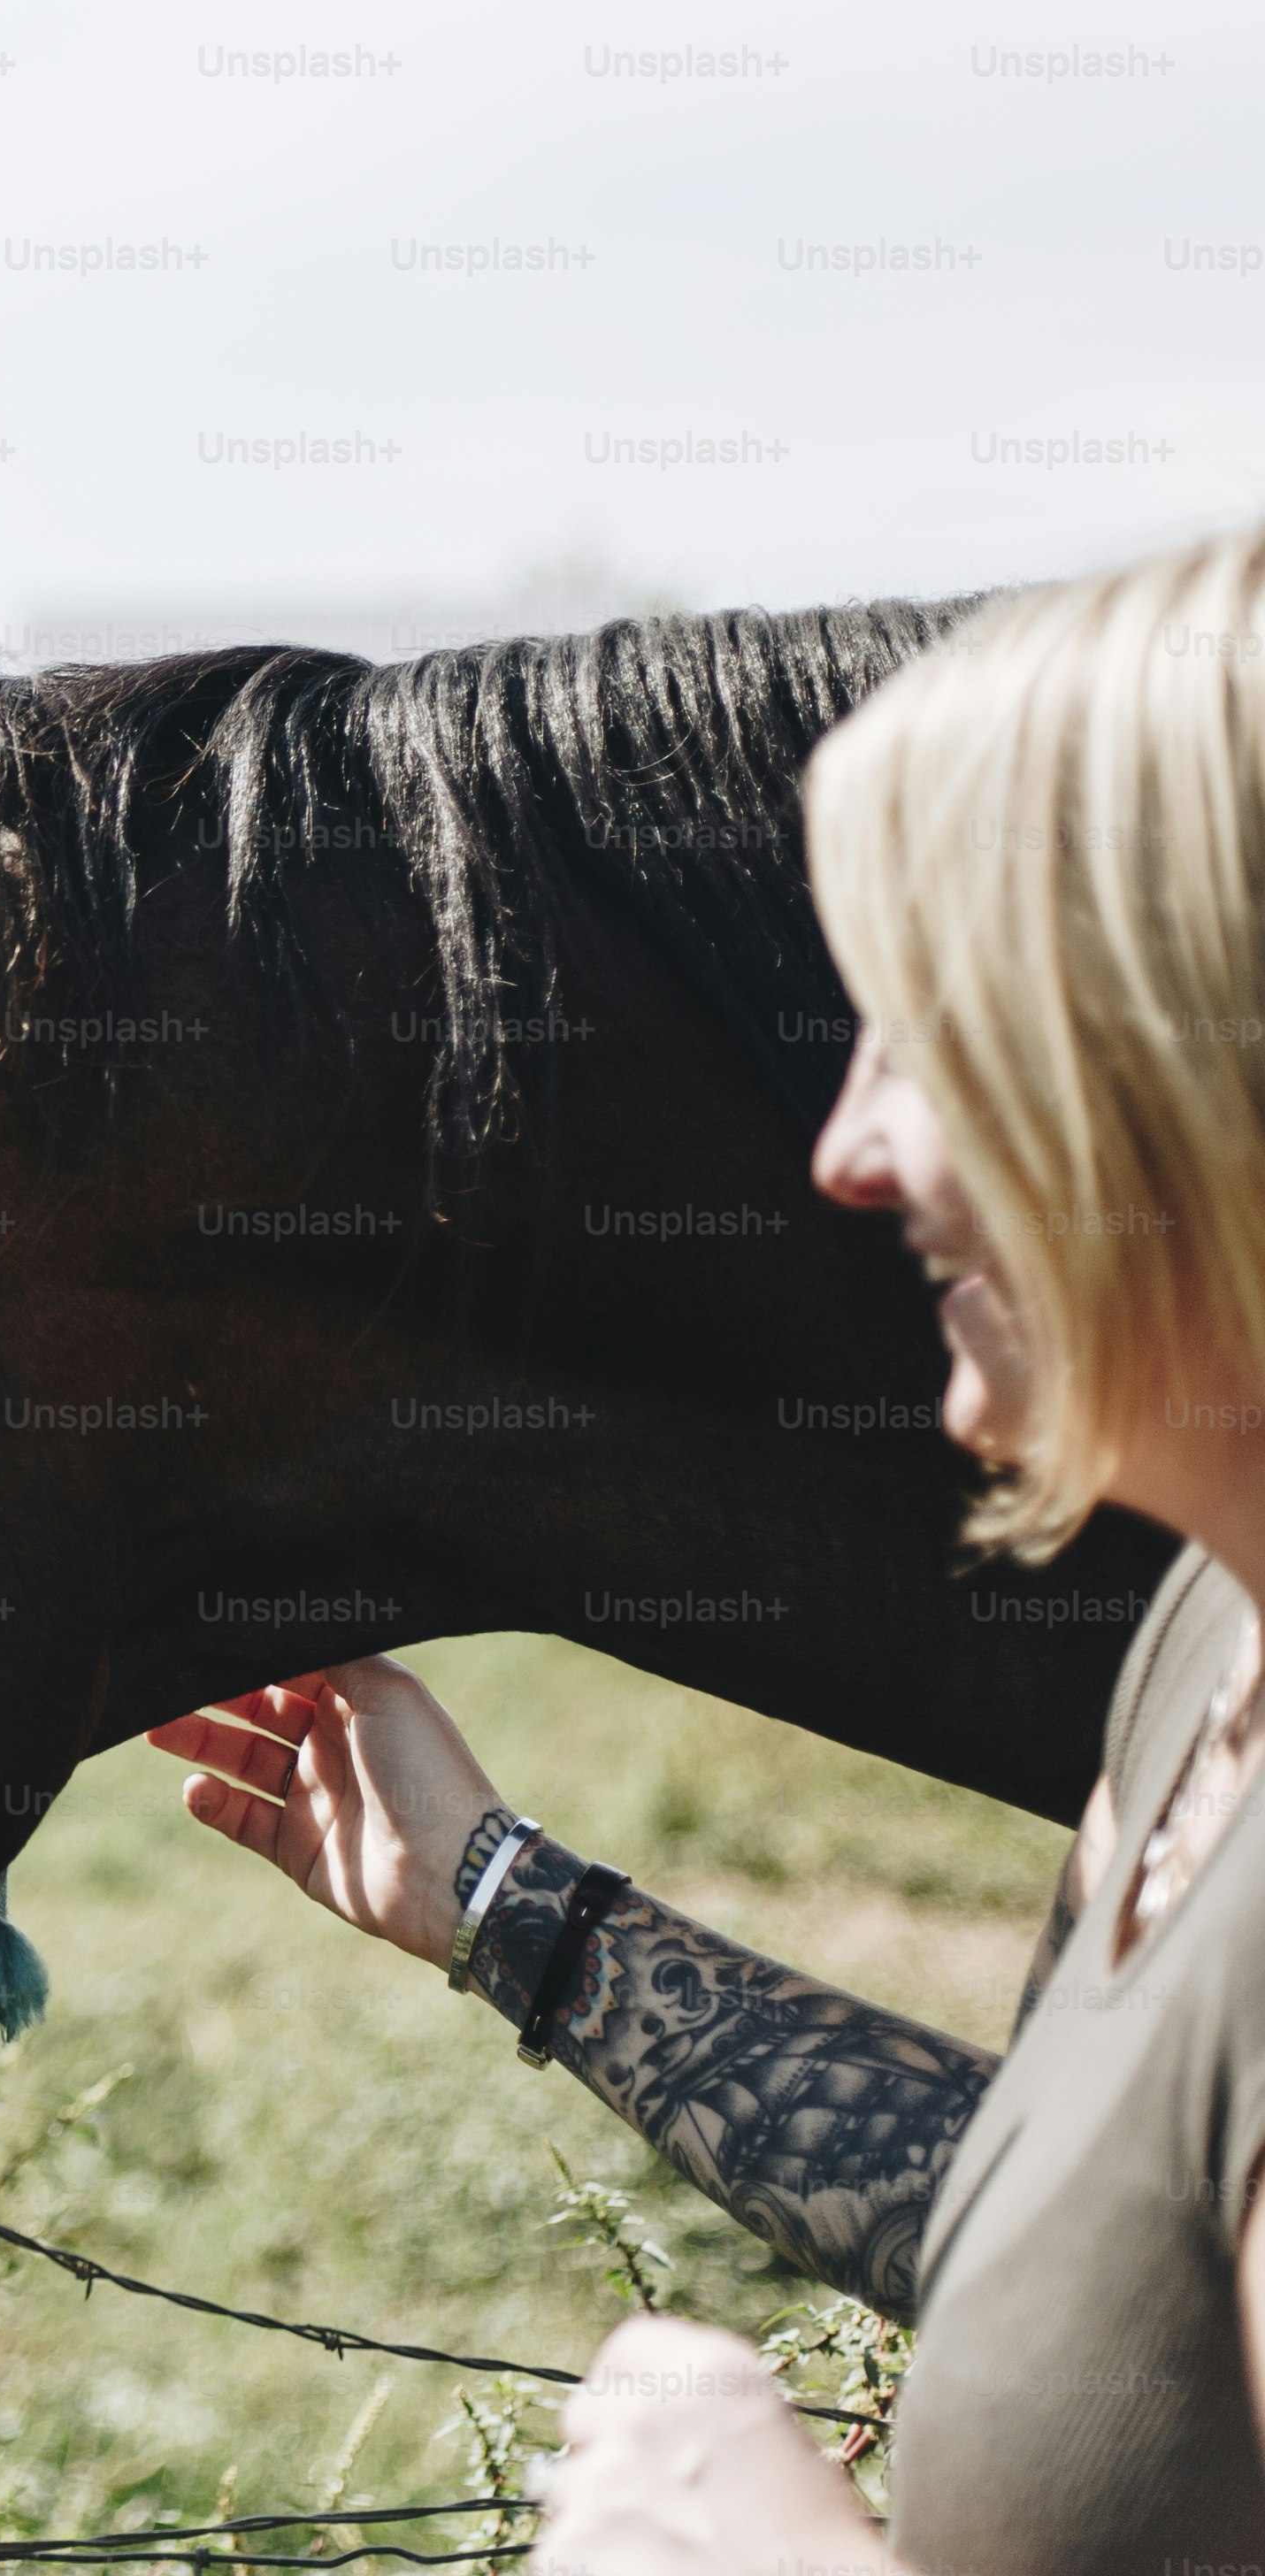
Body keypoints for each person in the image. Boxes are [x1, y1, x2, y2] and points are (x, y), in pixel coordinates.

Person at [150, 525, 1265, 2572]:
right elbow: (1100, 2272)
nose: (852, 1146)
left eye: (937, 1032)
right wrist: (505, 1903)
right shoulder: (1217, 1641)